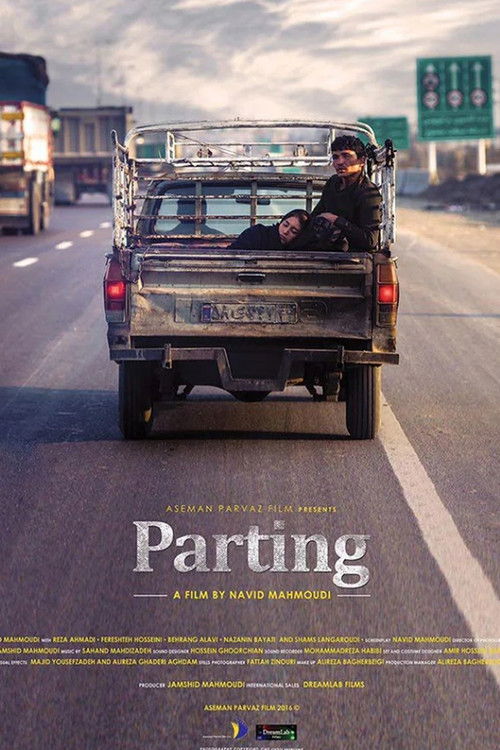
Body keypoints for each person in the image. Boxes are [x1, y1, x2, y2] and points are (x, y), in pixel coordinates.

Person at [292, 135, 382, 252]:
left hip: (354, 257)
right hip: (327, 251)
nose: (340, 162)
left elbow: (370, 240)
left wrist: (336, 220)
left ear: (362, 160)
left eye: (346, 156)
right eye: (335, 157)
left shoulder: (368, 192)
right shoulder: (333, 183)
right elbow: (317, 215)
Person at [229, 209, 309, 250]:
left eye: (293, 231)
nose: (285, 231)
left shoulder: (299, 250)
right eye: (285, 225)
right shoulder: (257, 234)